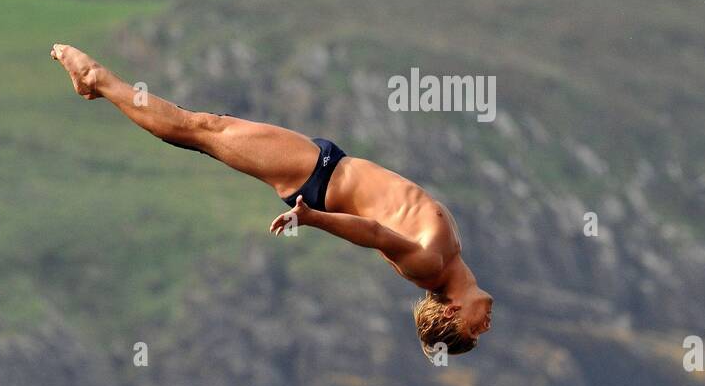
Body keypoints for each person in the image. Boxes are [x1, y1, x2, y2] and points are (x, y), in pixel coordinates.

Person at [50, 44, 492, 358]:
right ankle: (98, 85)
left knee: (201, 129)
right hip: (324, 166)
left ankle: (97, 80)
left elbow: (374, 233)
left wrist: (312, 217)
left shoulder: (429, 268)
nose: (485, 325)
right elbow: (380, 223)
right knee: (203, 132)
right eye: (480, 329)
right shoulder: (447, 260)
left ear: (453, 313)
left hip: (314, 177)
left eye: (475, 330)